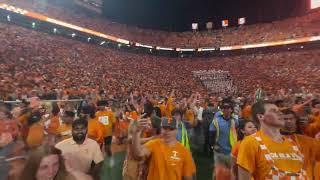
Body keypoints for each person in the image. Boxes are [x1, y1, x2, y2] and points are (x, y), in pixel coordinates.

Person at [237, 101, 308, 179]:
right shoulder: (251, 142)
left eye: (279, 111)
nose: (280, 113)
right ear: (261, 116)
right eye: (274, 111)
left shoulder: (294, 143)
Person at [131, 116, 196, 180]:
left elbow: (188, 177)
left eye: (171, 129)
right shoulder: (153, 144)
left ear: (176, 131)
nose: (167, 132)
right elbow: (138, 154)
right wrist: (136, 133)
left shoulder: (184, 151)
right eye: (165, 128)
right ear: (161, 129)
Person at [280, 108, 320, 180]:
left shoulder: (308, 141)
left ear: (295, 120)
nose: (289, 121)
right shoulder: (268, 140)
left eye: (291, 118)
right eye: (285, 119)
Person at [209, 99, 238, 180]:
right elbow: (211, 135)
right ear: (221, 109)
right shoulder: (216, 121)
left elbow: (238, 135)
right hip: (220, 151)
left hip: (232, 151)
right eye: (224, 108)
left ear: (231, 109)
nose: (226, 109)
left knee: (231, 173)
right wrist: (213, 146)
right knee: (218, 172)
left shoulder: (235, 121)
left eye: (228, 108)